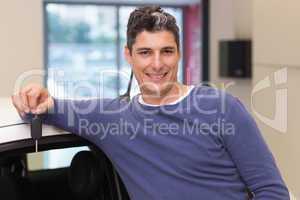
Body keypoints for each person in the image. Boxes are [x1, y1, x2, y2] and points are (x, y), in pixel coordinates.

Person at [12, 6, 289, 200]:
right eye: (145, 52)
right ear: (128, 56)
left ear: (179, 54)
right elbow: (44, 109)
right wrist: (31, 97)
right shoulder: (112, 118)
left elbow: (272, 192)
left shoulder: (223, 108)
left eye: (166, 51)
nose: (157, 64)